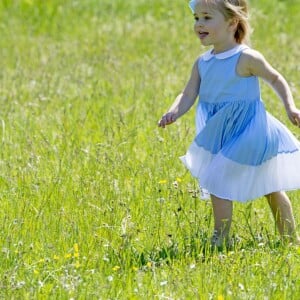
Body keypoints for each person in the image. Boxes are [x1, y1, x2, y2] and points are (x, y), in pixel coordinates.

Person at [158, 0, 300, 247]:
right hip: (223, 132)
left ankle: (222, 238)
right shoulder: (203, 63)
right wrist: (173, 111)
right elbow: (188, 93)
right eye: (196, 18)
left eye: (206, 18)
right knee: (269, 186)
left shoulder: (245, 58)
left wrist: (290, 107)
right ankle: (288, 240)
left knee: (218, 178)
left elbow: (276, 79)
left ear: (232, 22)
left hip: (251, 129)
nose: (199, 24)